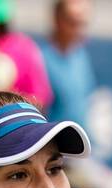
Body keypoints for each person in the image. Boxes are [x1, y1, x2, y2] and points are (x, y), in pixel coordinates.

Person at [40, 0, 95, 130]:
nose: (78, 29)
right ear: (57, 20)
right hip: (53, 146)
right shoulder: (41, 60)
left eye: (82, 23)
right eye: (72, 22)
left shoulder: (81, 56)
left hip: (80, 145)